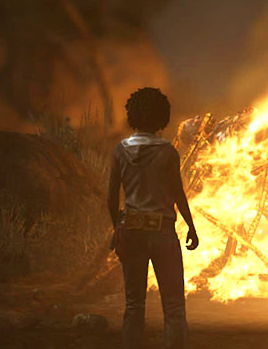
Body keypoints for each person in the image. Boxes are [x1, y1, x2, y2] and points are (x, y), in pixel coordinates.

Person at [107, 87, 199, 349]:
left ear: (132, 115)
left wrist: (117, 228)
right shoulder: (168, 152)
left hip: (132, 230)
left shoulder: (120, 150)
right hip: (162, 233)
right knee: (173, 308)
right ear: (162, 117)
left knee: (133, 306)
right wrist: (191, 227)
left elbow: (112, 197)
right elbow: (178, 195)